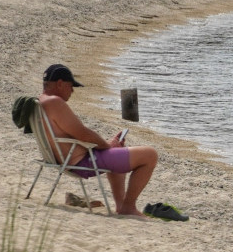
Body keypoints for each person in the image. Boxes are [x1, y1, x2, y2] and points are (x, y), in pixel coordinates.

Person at [38, 63, 158, 217]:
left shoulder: (41, 101)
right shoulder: (54, 102)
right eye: (71, 86)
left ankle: (121, 205)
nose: (72, 91)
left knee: (117, 150)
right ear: (60, 83)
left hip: (68, 158)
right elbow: (83, 133)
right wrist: (107, 145)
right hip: (81, 162)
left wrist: (107, 146)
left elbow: (76, 135)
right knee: (150, 155)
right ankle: (128, 207)